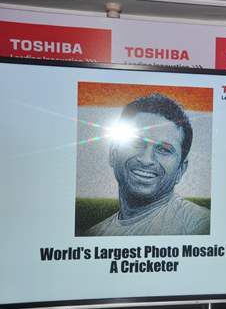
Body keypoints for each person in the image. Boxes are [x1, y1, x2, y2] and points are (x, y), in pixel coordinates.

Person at [86, 93, 210, 236]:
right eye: (136, 143)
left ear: (180, 170)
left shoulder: (200, 225)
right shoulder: (94, 234)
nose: (146, 160)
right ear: (113, 153)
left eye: (164, 150)